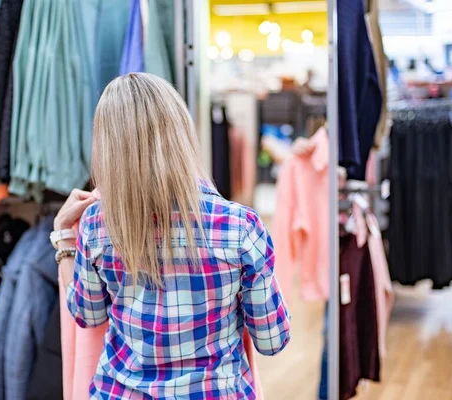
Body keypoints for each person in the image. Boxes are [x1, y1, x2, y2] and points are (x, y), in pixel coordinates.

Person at [52, 73, 291, 399]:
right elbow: (272, 339)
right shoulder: (240, 227)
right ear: (181, 132)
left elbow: (87, 314)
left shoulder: (97, 224)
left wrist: (65, 240)